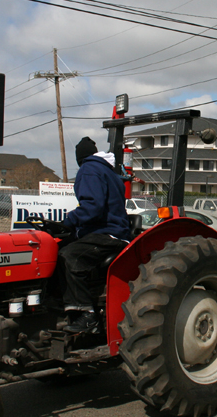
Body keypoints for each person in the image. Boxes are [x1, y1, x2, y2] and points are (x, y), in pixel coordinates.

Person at [58, 136, 131, 333]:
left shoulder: (89, 169)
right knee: (60, 245)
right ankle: (62, 305)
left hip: (108, 234)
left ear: (79, 159)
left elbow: (93, 207)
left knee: (68, 255)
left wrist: (68, 221)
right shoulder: (107, 171)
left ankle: (87, 315)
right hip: (110, 231)